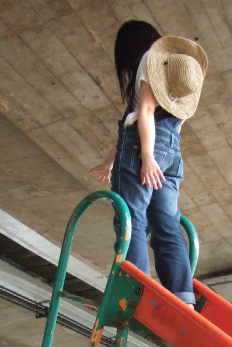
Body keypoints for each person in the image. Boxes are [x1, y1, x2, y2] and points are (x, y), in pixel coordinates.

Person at [90, 20, 208, 306]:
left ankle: (136, 293)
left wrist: (146, 157)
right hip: (171, 152)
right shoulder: (176, 75)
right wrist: (109, 163)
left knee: (131, 218)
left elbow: (143, 113)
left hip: (145, 148)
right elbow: (130, 121)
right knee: (166, 223)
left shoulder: (151, 60)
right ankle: (183, 297)